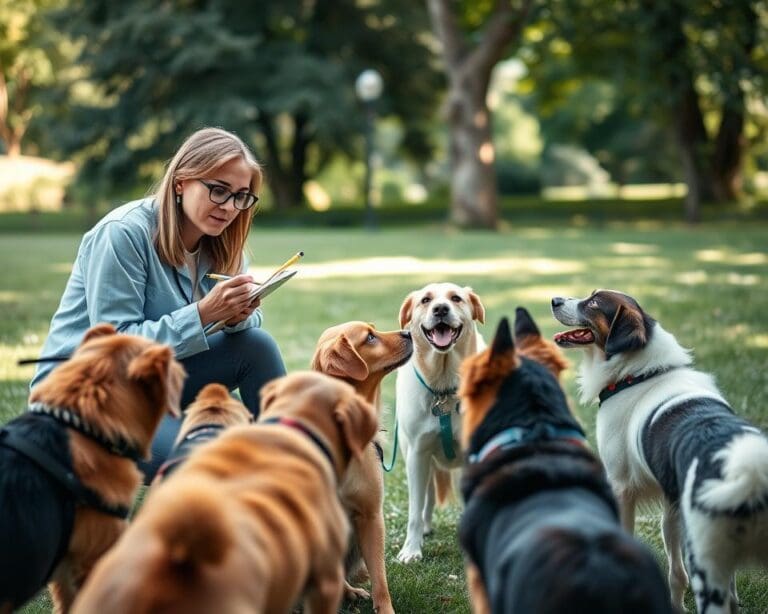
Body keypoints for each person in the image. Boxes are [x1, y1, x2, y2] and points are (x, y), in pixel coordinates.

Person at [30, 127, 286, 480]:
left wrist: (237, 317)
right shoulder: (123, 234)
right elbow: (114, 348)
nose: (229, 207)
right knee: (217, 460)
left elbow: (246, 328)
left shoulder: (224, 242)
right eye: (218, 190)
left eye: (241, 196)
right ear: (181, 182)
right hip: (92, 395)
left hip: (160, 383)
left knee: (256, 344)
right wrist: (204, 313)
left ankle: (290, 459)